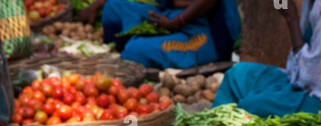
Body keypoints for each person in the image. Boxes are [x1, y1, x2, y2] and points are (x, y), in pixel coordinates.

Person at [213, 0, 321, 119]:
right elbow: (303, 68)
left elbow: (316, 83)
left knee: (252, 106)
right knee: (237, 75)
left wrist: (291, 19)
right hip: (308, 79)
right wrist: (290, 17)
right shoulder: (316, 3)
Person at [78, 0, 239, 70]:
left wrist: (176, 22)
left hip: (206, 32)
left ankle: (137, 56)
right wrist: (98, 4)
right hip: (171, 14)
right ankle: (125, 54)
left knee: (134, 49)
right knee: (113, 9)